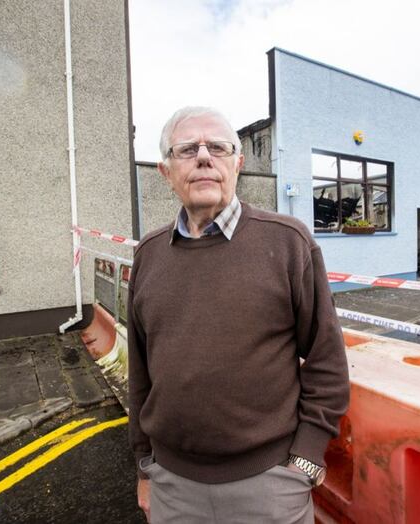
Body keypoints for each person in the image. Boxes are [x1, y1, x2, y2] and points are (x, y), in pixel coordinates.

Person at [127, 106, 350, 523]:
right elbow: (140, 373)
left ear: (238, 164)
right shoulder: (148, 256)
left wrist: (306, 459)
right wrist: (144, 466)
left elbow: (328, 360)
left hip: (270, 486)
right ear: (166, 171)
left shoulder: (289, 243)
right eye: (187, 149)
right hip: (172, 486)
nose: (204, 157)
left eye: (218, 147)